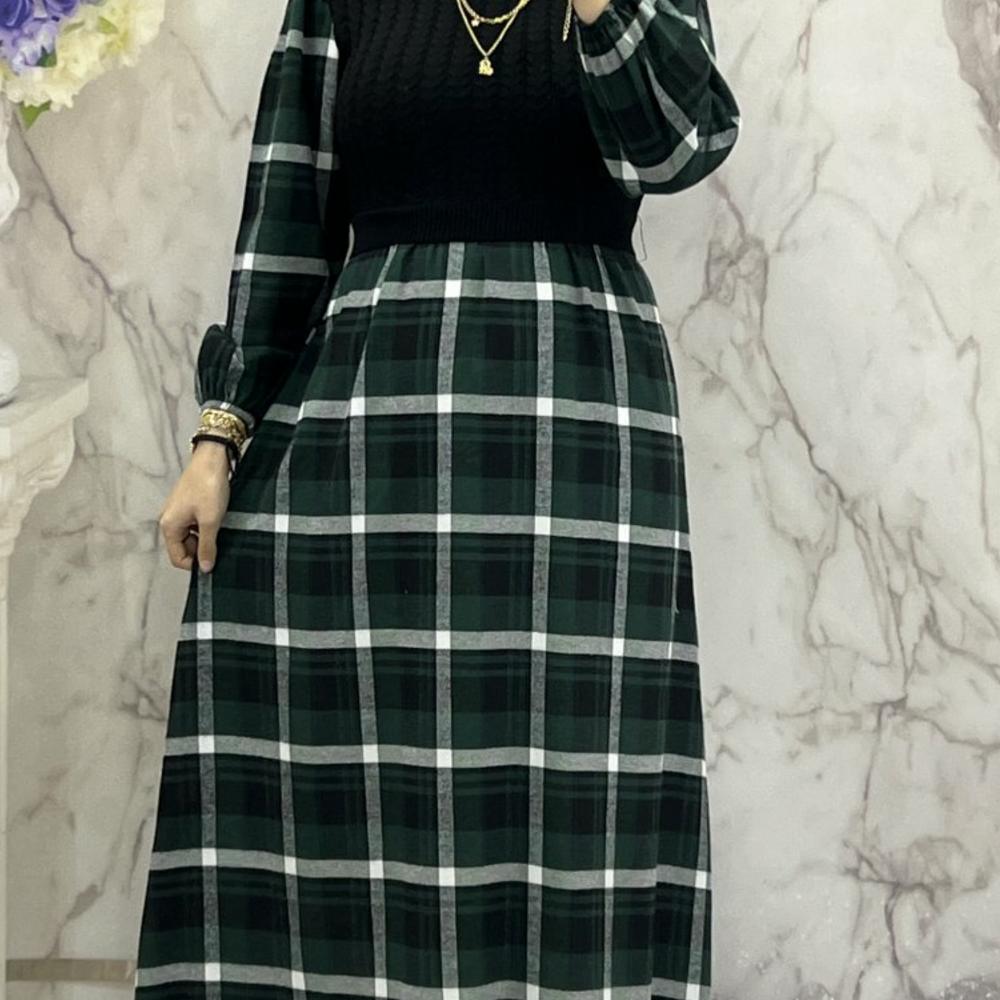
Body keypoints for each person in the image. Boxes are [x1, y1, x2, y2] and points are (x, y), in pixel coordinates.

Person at [138, 0, 740, 995]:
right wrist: (220, 432)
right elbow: (287, 217)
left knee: (572, 773)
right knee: (366, 781)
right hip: (372, 437)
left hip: (579, 439)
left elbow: (681, 146)